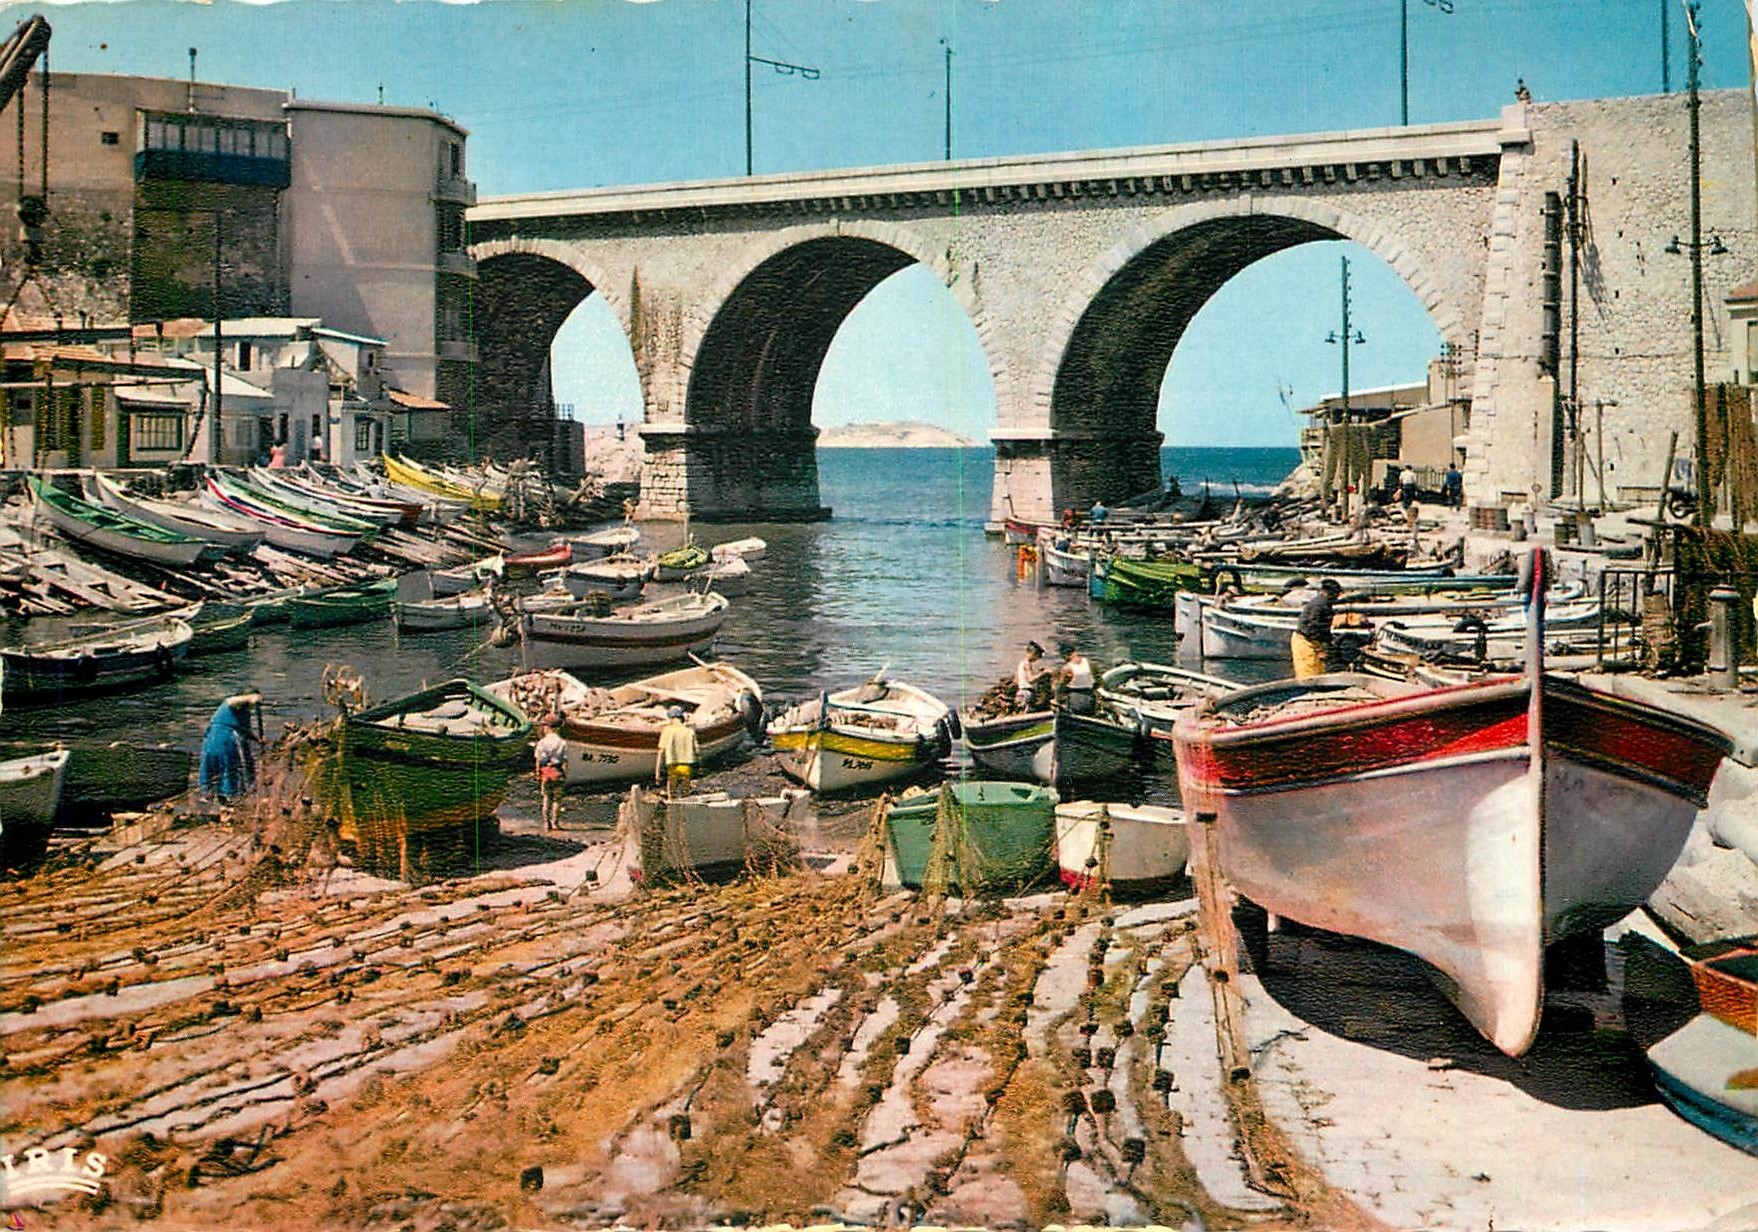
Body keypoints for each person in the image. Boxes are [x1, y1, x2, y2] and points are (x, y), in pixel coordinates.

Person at [199, 690, 262, 801]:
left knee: (227, 770)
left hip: (222, 740)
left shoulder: (244, 713)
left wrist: (258, 740)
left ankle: (225, 798)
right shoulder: (230, 705)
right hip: (222, 739)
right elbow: (230, 700)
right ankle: (222, 797)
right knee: (225, 768)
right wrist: (251, 697)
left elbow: (246, 731)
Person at [1291, 579, 1342, 680]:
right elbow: (1314, 628)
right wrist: (1325, 644)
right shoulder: (1320, 605)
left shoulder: (1323, 603)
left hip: (1311, 641)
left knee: (1318, 673)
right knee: (1307, 675)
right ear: (1330, 593)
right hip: (1305, 642)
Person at [656, 705, 698, 798]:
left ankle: (673, 804)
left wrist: (657, 772)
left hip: (672, 765)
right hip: (686, 765)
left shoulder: (667, 730)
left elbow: (661, 752)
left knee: (672, 793)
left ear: (671, 718)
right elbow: (697, 751)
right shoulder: (689, 731)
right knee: (685, 793)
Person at [534, 718, 568, 831]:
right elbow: (565, 761)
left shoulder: (542, 742)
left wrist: (537, 772)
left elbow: (538, 759)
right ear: (558, 728)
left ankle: (546, 824)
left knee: (546, 798)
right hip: (557, 771)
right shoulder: (562, 743)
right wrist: (565, 775)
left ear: (547, 728)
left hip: (545, 772)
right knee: (557, 800)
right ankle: (555, 823)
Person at [1056, 641, 1095, 715]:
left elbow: (1061, 687)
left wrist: (1056, 699)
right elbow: (1097, 680)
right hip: (1090, 698)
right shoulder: (1089, 663)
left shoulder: (1067, 668)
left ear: (1065, 655)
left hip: (1076, 700)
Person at [1014, 641, 1048, 710]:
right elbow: (1030, 680)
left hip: (1021, 692)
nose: (1037, 659)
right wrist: (1043, 673)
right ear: (1033, 653)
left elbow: (1016, 679)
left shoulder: (1021, 663)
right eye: (1038, 656)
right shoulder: (1027, 664)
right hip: (1027, 693)